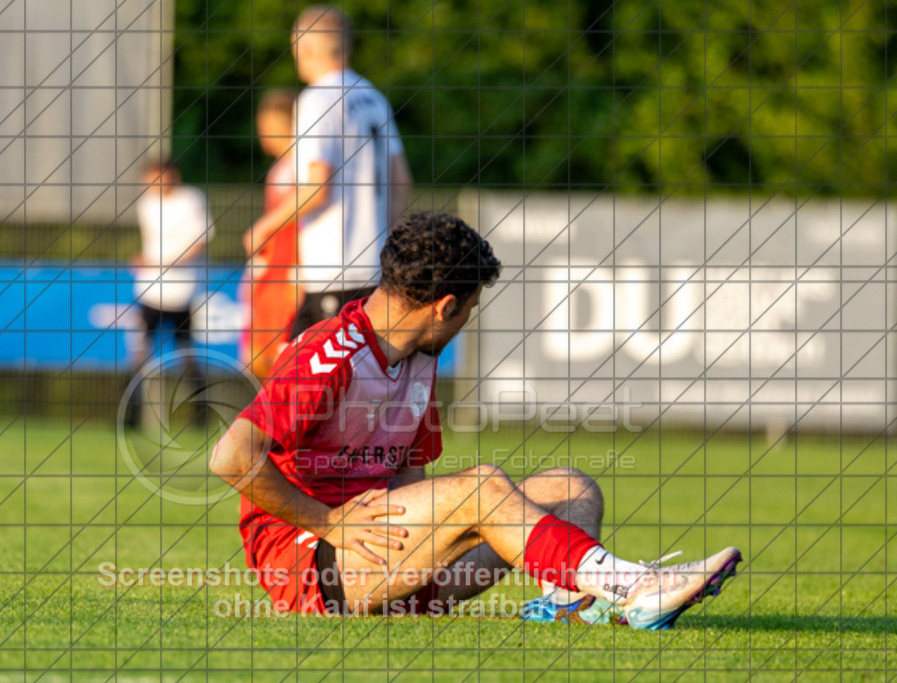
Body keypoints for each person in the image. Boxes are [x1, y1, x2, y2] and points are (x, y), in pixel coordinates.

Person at [210, 211, 742, 627]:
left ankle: (574, 603)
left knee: (572, 488)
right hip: (313, 565)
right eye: (469, 308)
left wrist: (431, 542)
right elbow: (230, 456)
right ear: (445, 306)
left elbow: (409, 479)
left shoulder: (418, 356)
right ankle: (635, 586)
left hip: (387, 561)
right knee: (482, 488)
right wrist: (329, 523)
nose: (467, 320)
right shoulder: (329, 353)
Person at [245, 6, 413, 339]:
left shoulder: (317, 99)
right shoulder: (374, 98)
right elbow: (401, 179)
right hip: (374, 272)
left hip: (332, 272)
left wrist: (264, 227)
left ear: (305, 48)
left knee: (300, 368)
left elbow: (318, 187)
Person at [126, 159, 213, 427]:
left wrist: (167, 262)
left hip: (181, 293)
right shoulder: (147, 204)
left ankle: (201, 416)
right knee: (139, 353)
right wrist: (145, 261)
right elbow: (152, 246)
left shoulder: (191, 200)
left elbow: (199, 241)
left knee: (186, 355)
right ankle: (129, 417)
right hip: (150, 291)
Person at [240, 90, 303, 379]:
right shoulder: (280, 169)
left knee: (284, 360)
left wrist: (299, 269)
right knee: (255, 357)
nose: (263, 133)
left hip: (291, 275)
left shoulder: (302, 168)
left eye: (268, 125)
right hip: (273, 274)